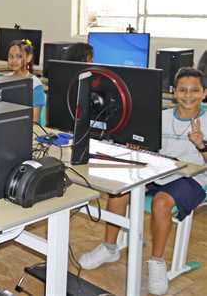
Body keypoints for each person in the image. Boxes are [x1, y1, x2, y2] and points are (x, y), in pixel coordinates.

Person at [78, 67, 207, 295]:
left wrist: (201, 144)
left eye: (194, 91)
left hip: (193, 177)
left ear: (204, 93)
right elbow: (148, 145)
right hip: (158, 170)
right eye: (183, 90)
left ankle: (157, 261)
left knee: (161, 202)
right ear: (174, 92)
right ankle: (110, 247)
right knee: (120, 190)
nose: (188, 95)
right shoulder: (162, 116)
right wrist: (136, 144)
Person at [7, 39, 45, 122]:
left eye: (19, 56)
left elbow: (34, 121)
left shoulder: (35, 85)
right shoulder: (4, 80)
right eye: (11, 56)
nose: (14, 60)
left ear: (29, 57)